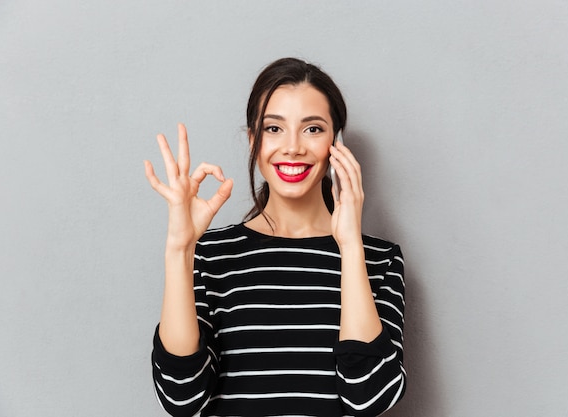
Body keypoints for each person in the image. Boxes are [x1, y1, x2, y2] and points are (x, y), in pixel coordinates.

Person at [144, 57, 406, 417]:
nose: (293, 147)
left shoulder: (379, 259)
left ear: (337, 142)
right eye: (274, 129)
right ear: (253, 140)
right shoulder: (210, 255)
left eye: (313, 129)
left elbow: (369, 397)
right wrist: (180, 249)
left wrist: (349, 247)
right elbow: (182, 399)